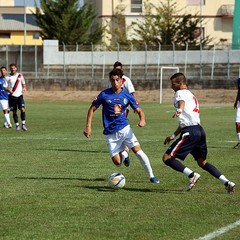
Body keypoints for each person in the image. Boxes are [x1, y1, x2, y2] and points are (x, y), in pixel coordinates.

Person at [162, 72, 235, 193]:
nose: (171, 86)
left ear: (180, 83)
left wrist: (179, 110)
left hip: (190, 132)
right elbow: (185, 120)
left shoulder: (179, 93)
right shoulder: (191, 95)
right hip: (199, 131)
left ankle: (191, 175)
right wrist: (173, 135)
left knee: (167, 158)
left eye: (173, 84)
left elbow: (181, 104)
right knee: (202, 162)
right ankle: (227, 182)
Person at [83, 69, 159, 184]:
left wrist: (142, 119)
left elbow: (139, 110)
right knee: (117, 163)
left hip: (124, 128)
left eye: (117, 80)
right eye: (112, 80)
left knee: (138, 151)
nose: (115, 83)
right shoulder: (104, 94)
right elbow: (92, 109)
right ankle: (124, 153)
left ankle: (152, 176)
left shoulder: (127, 96)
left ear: (121, 81)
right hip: (110, 133)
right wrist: (88, 126)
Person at [5, 63, 27, 131]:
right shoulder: (7, 77)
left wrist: (24, 88)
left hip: (19, 95)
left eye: (14, 68)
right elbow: (5, 87)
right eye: (11, 68)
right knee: (14, 112)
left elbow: (23, 84)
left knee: (22, 109)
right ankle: (17, 125)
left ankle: (23, 124)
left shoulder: (20, 75)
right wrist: (9, 90)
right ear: (10, 69)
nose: (12, 69)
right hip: (12, 96)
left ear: (16, 68)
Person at [233, 77, 240, 149]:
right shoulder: (239, 80)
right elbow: (239, 91)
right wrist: (236, 101)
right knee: (237, 123)